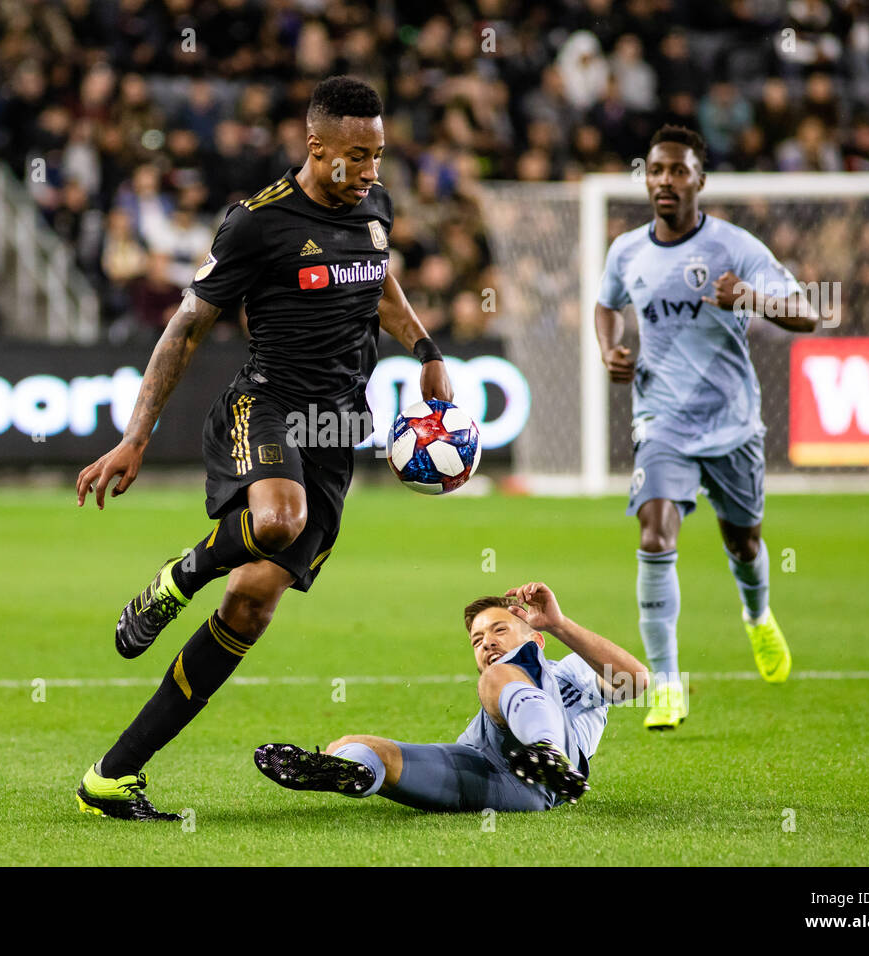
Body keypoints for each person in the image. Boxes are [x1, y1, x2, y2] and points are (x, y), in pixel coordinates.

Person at [72, 76, 453, 820]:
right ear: (316, 148)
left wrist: (427, 347)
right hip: (266, 405)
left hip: (338, 431)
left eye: (379, 154)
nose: (373, 170)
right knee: (276, 520)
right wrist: (135, 437)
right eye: (357, 155)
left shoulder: (374, 207)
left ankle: (111, 777)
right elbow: (184, 330)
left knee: (249, 606)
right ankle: (178, 578)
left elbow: (377, 282)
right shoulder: (257, 223)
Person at [594, 125, 819, 731]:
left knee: (743, 541)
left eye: (678, 171)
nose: (665, 181)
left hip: (733, 424)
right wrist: (611, 350)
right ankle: (667, 684)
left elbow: (807, 313)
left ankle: (758, 614)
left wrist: (749, 296)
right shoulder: (626, 251)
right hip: (660, 420)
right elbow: (607, 304)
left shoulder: (734, 247)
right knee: (654, 534)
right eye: (656, 171)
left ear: (699, 180)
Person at [255, 582, 649, 812]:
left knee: (499, 677)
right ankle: (344, 772)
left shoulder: (565, 670)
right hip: (491, 776)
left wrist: (560, 624)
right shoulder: (490, 694)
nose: (487, 643)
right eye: (477, 639)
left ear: (536, 638)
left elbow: (637, 682)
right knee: (354, 746)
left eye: (499, 631)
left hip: (553, 781)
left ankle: (545, 751)